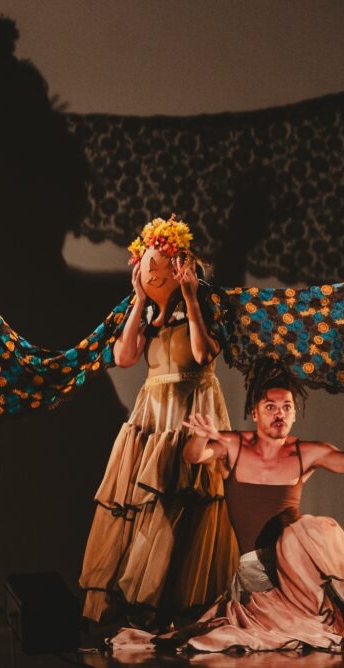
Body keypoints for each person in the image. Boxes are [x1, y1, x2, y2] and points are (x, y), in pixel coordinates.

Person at [114, 357, 344, 651]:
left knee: (314, 528)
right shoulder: (234, 445)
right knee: (274, 619)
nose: (279, 414)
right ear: (255, 413)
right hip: (258, 570)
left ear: (295, 414)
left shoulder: (306, 452)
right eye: (270, 407)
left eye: (286, 407)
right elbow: (193, 456)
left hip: (298, 564)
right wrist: (199, 437)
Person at [79, 217, 237, 627]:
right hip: (153, 414)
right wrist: (137, 300)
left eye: (160, 264)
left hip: (190, 412)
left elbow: (203, 355)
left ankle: (174, 603)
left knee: (181, 505)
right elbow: (123, 357)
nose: (151, 271)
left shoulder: (203, 309)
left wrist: (192, 299)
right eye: (146, 265)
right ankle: (141, 603)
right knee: (144, 505)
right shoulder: (149, 318)